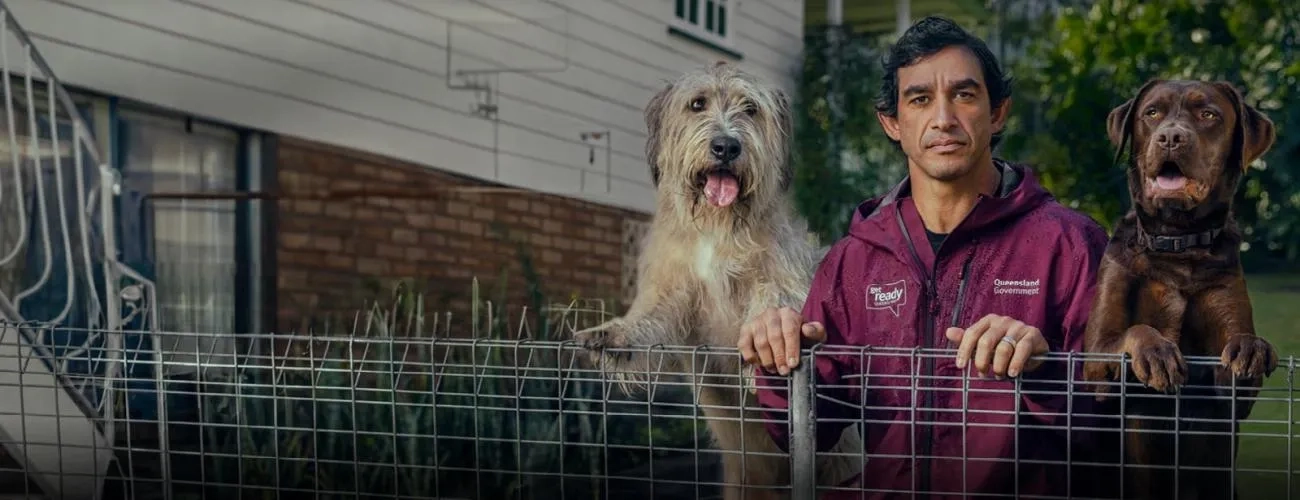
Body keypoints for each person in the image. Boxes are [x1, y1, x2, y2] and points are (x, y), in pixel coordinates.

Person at [739, 16, 1114, 499]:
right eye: (919, 99)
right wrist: (781, 360)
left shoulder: (1069, 243)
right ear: (892, 123)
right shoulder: (856, 260)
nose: (943, 119)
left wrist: (1043, 369)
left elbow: (1111, 416)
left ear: (997, 113)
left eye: (964, 94)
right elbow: (808, 429)